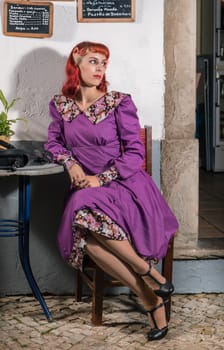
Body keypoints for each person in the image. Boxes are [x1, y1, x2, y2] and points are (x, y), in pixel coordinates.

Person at [45, 41, 179, 341]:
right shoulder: (60, 105)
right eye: (93, 61)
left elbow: (135, 154)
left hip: (124, 185)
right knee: (84, 230)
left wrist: (100, 178)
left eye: (104, 63)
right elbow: (54, 143)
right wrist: (71, 164)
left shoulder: (119, 102)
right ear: (75, 65)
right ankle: (149, 290)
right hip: (86, 189)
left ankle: (148, 281)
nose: (100, 69)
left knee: (82, 216)